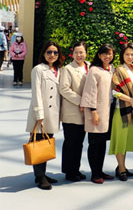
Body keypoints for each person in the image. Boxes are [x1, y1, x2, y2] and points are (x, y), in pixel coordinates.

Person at [26, 41, 63, 190]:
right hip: (40, 113)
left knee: (46, 144)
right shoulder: (38, 70)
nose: (52, 55)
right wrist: (39, 114)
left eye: (55, 52)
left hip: (53, 113)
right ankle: (40, 177)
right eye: (49, 52)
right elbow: (36, 93)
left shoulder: (58, 70)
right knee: (38, 144)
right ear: (43, 53)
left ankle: (43, 174)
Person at [80, 44, 115, 184]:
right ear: (99, 55)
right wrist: (93, 111)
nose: (108, 56)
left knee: (102, 144)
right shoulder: (94, 70)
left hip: (107, 111)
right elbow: (90, 92)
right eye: (105, 54)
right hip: (96, 112)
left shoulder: (110, 69)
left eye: (110, 54)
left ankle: (99, 170)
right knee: (94, 143)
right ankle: (95, 173)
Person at [59, 41, 89, 182]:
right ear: (72, 53)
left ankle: (75, 169)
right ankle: (69, 171)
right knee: (71, 142)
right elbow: (64, 89)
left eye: (81, 52)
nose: (79, 55)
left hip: (85, 112)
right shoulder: (68, 69)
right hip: (72, 111)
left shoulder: (89, 66)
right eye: (76, 52)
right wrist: (81, 101)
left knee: (80, 142)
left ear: (86, 53)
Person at [110, 43, 133, 181]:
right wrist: (130, 100)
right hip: (121, 110)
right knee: (120, 140)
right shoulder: (118, 70)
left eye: (132, 54)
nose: (130, 57)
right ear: (122, 55)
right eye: (127, 54)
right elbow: (114, 91)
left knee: (127, 140)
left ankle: (122, 166)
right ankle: (121, 168)